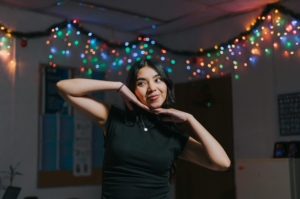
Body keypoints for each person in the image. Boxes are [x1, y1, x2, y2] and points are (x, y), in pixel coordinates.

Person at [56, 59, 230, 199]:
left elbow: (222, 163)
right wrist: (117, 86)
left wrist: (191, 119)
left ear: (166, 85)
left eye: (157, 80)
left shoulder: (173, 136)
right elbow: (64, 88)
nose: (152, 88)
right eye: (142, 83)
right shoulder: (115, 119)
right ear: (133, 90)